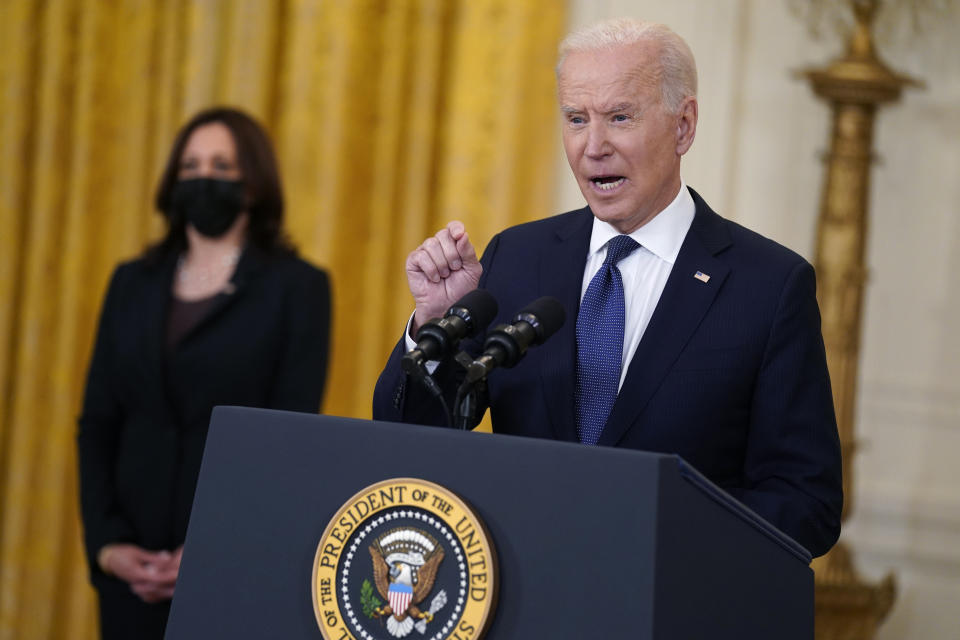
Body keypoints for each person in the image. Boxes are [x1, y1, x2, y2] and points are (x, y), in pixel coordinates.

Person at [373, 18, 842, 558]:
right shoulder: (517, 258)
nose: (593, 146)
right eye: (576, 119)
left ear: (683, 125)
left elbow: (807, 502)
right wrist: (434, 325)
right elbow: (408, 438)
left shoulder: (767, 285)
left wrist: (659, 532)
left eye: (619, 117)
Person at [77, 107, 331, 638]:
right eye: (190, 166)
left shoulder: (299, 288)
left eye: (221, 165)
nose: (203, 179)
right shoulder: (131, 282)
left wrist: (216, 542)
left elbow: (286, 441)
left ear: (254, 184)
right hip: (130, 567)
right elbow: (98, 422)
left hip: (229, 560)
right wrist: (107, 546)